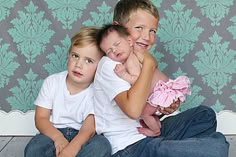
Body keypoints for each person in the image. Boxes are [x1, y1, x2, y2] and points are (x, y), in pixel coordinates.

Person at [93, 0, 229, 156]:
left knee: (205, 115)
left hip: (147, 136)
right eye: (139, 28)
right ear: (118, 28)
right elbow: (134, 110)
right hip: (128, 147)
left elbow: (148, 104)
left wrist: (162, 109)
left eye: (153, 31)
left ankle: (175, 148)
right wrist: (149, 65)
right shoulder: (110, 64)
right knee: (216, 148)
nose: (147, 37)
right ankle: (180, 148)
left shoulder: (138, 59)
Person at [24, 26, 111, 157]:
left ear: (101, 66)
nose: (78, 65)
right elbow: (41, 118)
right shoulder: (52, 82)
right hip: (53, 132)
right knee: (34, 148)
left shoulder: (98, 89)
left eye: (88, 60)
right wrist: (58, 138)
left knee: (102, 145)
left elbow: (89, 128)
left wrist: (72, 148)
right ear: (69, 55)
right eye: (75, 56)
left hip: (83, 135)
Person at [97, 23, 191, 136]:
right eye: (109, 51)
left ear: (129, 41)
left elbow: (139, 81)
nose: (115, 51)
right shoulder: (138, 55)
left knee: (146, 114)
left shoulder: (131, 60)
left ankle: (155, 131)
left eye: (117, 44)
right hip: (163, 89)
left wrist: (124, 75)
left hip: (159, 92)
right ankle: (158, 126)